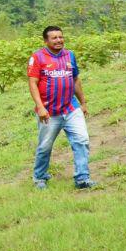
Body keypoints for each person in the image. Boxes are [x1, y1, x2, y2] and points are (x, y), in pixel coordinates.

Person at [27, 25, 93, 189]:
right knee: (45, 146)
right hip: (49, 112)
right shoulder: (38, 57)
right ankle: (40, 178)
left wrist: (83, 103)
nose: (59, 40)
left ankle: (82, 179)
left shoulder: (70, 55)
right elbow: (32, 83)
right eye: (54, 38)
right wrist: (40, 107)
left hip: (71, 109)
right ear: (46, 41)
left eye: (61, 37)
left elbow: (75, 80)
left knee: (81, 141)